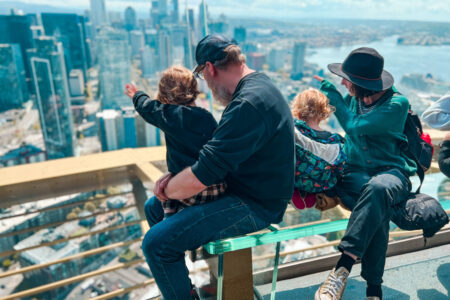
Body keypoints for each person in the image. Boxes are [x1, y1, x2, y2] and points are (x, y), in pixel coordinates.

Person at [141, 35, 294, 299]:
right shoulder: (259, 86)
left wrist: (169, 188)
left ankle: (184, 287)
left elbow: (204, 173)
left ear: (210, 68)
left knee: (156, 244)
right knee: (153, 208)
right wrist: (175, 179)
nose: (207, 86)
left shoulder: (247, 104)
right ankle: (191, 281)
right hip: (243, 188)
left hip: (256, 204)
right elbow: (217, 157)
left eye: (202, 75)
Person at [313, 47, 416, 300]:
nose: (342, 82)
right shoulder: (355, 100)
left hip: (392, 173)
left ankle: (341, 269)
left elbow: (354, 126)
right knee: (375, 201)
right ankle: (374, 291)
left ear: (360, 83)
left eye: (347, 79)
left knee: (378, 190)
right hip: (355, 174)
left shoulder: (397, 103)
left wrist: (332, 96)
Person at [124, 66, 226, 219]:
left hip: (189, 192)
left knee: (164, 195)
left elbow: (146, 107)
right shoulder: (207, 117)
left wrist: (136, 95)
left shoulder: (169, 115)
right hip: (218, 188)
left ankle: (169, 220)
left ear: (166, 98)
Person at [290, 88, 346, 210]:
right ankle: (311, 193)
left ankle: (295, 191)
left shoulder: (294, 133)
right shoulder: (334, 143)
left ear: (298, 113)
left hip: (296, 179)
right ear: (323, 115)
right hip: (320, 184)